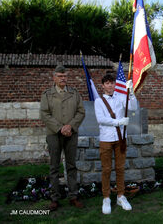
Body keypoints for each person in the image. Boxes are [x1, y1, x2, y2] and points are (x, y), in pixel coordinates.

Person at [40, 65, 85, 211]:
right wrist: (60, 128)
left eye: (65, 75)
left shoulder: (74, 93)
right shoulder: (47, 94)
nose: (63, 78)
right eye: (60, 76)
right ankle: (55, 198)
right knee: (54, 167)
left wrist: (70, 126)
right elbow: (44, 114)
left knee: (71, 165)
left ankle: (73, 196)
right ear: (54, 78)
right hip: (54, 135)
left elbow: (80, 112)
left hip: (71, 134)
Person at [94, 73, 138, 214]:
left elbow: (133, 107)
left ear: (114, 84)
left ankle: (120, 195)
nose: (110, 85)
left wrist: (130, 92)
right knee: (106, 169)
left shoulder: (121, 97)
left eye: (112, 83)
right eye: (107, 83)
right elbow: (101, 119)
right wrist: (118, 122)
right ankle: (106, 198)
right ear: (103, 86)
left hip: (120, 139)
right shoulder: (98, 101)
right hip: (106, 139)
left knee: (120, 168)